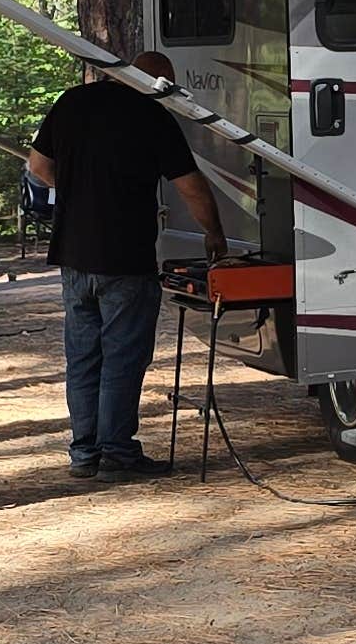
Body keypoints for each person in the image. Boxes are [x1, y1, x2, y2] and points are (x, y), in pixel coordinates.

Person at [24, 49, 222, 480]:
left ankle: (83, 453)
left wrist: (79, 188)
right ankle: (116, 450)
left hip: (74, 256)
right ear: (154, 83)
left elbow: (38, 166)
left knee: (82, 357)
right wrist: (214, 234)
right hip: (125, 258)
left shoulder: (72, 102)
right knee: (122, 357)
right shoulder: (152, 117)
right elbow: (191, 188)